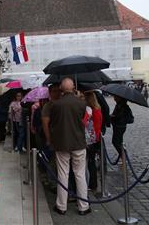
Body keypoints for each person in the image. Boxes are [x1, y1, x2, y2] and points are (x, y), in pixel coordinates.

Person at [49, 78, 91, 216]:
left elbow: (53, 125)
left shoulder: (55, 105)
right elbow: (84, 122)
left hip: (62, 143)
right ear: (73, 87)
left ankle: (61, 206)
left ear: (61, 87)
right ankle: (83, 206)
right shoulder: (81, 103)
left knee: (62, 174)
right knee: (80, 174)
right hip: (78, 142)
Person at [83, 91, 102, 191]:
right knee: (91, 162)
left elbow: (89, 125)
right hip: (96, 137)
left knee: (90, 162)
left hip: (91, 138)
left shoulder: (91, 111)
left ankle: (92, 184)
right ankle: (93, 184)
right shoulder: (98, 109)